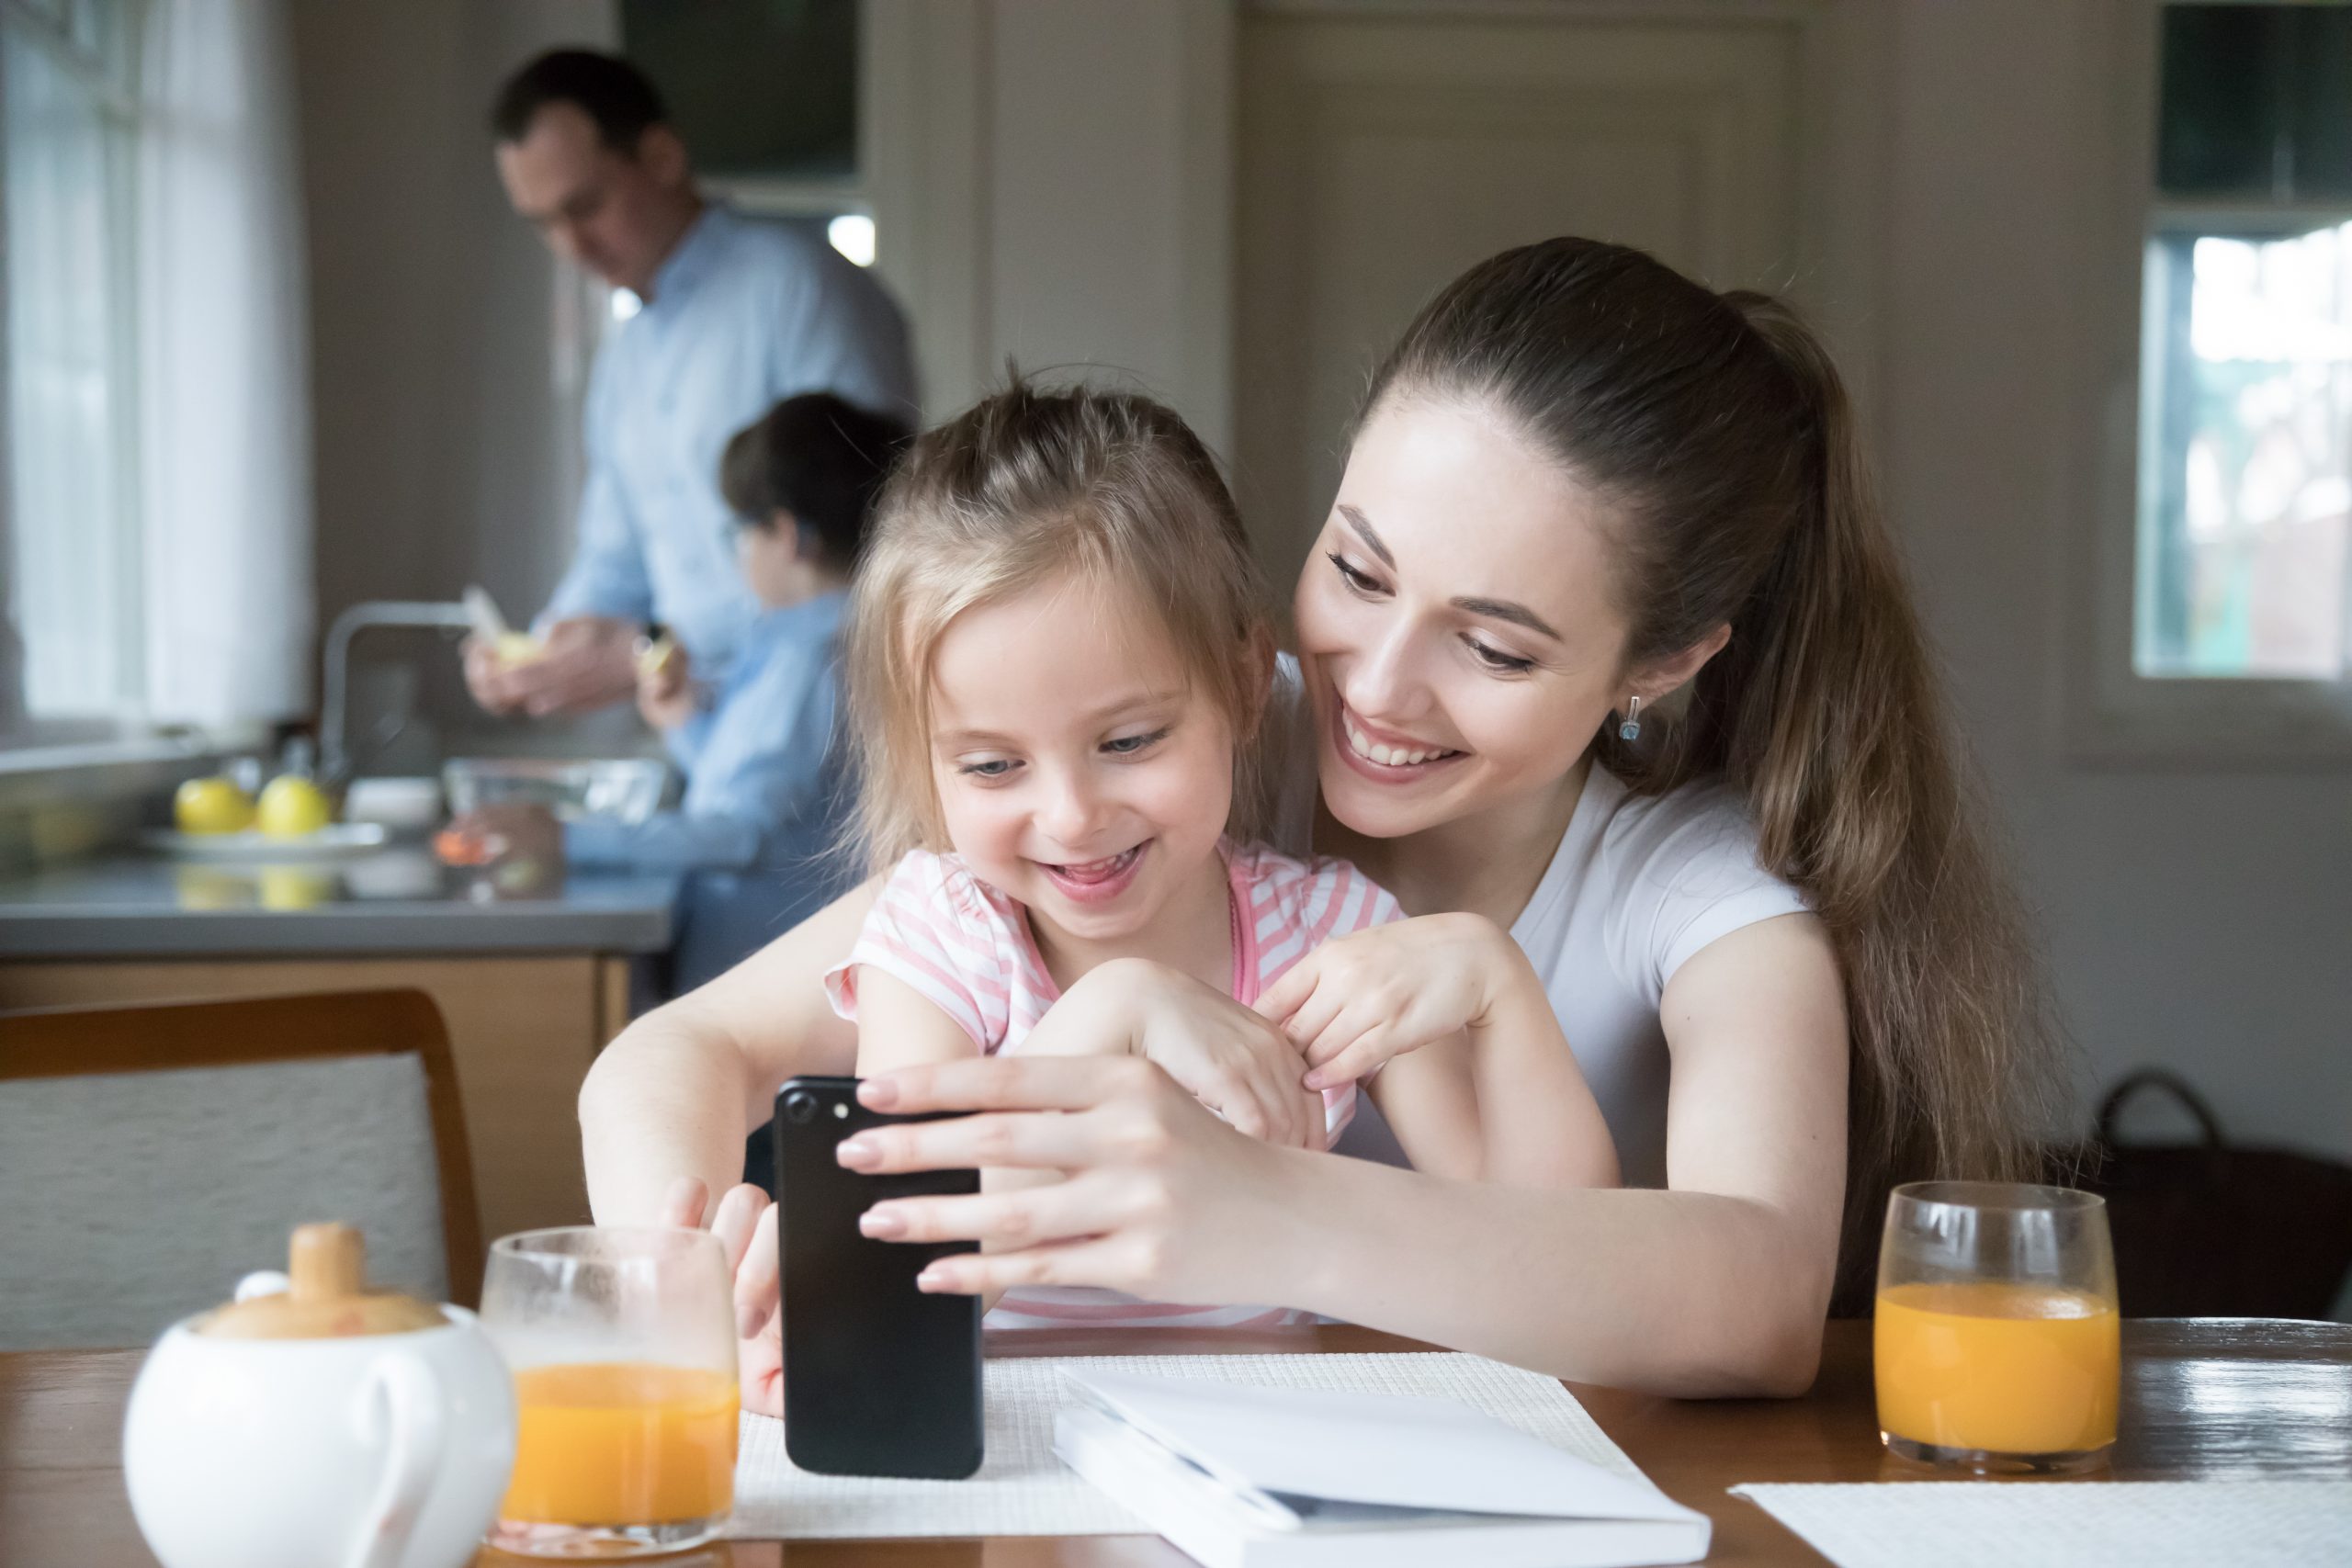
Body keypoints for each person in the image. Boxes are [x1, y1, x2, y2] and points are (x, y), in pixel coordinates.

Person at [582, 239, 2069, 1402]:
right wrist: (682, 1262)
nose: (1377, 685)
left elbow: (1756, 1298)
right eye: (1358, 571)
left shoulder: (1698, 889)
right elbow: (677, 1052)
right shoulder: (1168, 752)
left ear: (1664, 662)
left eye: (1493, 646)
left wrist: (1263, 1205)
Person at [820, 383, 1613, 1346]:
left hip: (1266, 1457)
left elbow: (1556, 1278)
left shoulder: (1326, 937)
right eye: (992, 765)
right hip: (1007, 1468)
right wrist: (1115, 1016)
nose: (1070, 818)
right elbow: (884, 1294)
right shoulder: (945, 935)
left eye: (1130, 741)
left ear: (1242, 686)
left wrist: (1499, 982)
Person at [469, 50, 915, 721]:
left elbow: (872, 540)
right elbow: (614, 560)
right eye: (544, 224)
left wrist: (649, 650)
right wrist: (543, 650)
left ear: (663, 156)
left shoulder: (800, 290)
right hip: (701, 754)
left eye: (585, 205)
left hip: (822, 750)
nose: (571, 247)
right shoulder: (625, 359)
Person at [446, 393, 907, 880]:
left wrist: (568, 838)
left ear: (787, 536)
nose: (741, 555)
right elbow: (743, 785)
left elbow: (739, 834)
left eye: (744, 534)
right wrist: (684, 719)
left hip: (758, 941)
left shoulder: (808, 661)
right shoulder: (806, 646)